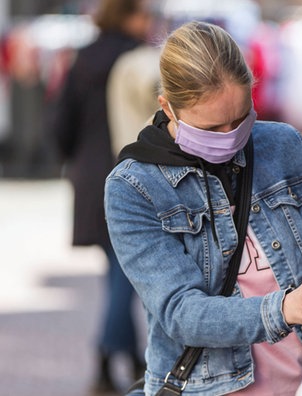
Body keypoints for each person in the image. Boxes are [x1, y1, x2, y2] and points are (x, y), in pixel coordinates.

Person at [104, 21, 302, 395]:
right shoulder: (134, 188)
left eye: (240, 119)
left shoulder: (284, 146)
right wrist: (283, 309)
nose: (230, 138)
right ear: (168, 108)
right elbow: (181, 312)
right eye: (212, 127)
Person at [50, 0, 154, 394]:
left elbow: (61, 122)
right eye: (144, 14)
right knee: (123, 276)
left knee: (117, 273)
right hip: (129, 172)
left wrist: (75, 159)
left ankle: (125, 360)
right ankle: (108, 357)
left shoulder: (83, 57)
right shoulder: (138, 59)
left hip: (90, 175)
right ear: (126, 15)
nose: (149, 21)